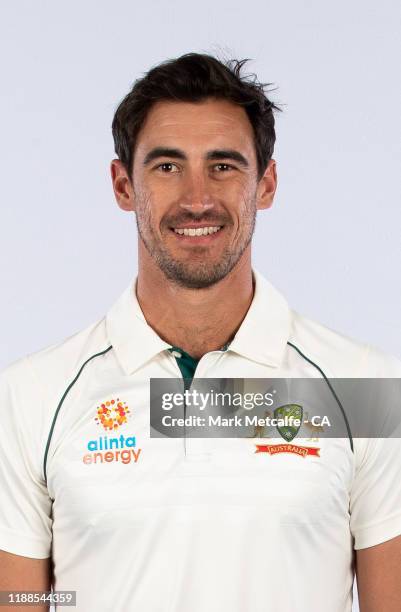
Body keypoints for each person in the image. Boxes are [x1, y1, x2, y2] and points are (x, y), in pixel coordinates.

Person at [0, 53, 400, 612]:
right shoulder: (30, 397)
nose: (196, 198)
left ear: (266, 184)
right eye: (167, 167)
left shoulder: (363, 388)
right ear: (122, 185)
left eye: (223, 166)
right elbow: (20, 598)